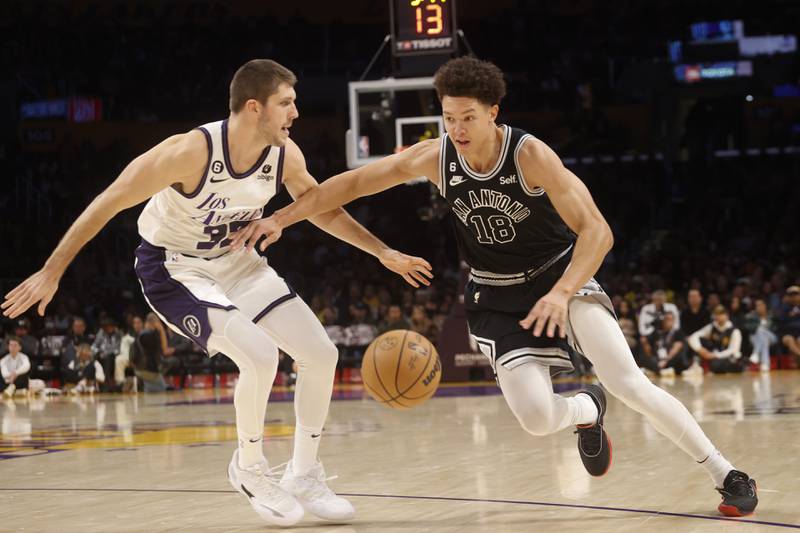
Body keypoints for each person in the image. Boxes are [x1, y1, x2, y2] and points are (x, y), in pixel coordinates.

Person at [232, 56, 758, 517]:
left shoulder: (530, 156)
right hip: (496, 295)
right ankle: (587, 410)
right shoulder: (436, 156)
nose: (457, 128)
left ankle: (726, 473)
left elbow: (598, 231)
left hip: (559, 278)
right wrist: (284, 218)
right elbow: (351, 184)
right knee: (534, 419)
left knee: (630, 381)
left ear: (492, 114)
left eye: (467, 118)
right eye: (449, 117)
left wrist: (562, 293)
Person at [1, 58, 432, 527]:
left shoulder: (286, 154)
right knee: (260, 354)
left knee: (321, 353)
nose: (295, 113)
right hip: (173, 269)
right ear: (254, 108)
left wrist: (382, 252)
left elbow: (321, 208)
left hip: (237, 263)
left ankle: (304, 473)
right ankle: (249, 467)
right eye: (286, 103)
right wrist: (52, 269)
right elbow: (108, 201)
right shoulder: (188, 152)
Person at [688, 305, 744, 374]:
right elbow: (694, 336)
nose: (718, 317)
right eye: (716, 314)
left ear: (726, 316)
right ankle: (696, 365)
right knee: (698, 341)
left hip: (729, 358)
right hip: (714, 355)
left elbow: (733, 350)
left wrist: (715, 355)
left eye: (720, 314)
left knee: (717, 365)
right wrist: (700, 349)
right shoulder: (712, 327)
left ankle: (708, 368)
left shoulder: (734, 331)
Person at [744, 298, 777, 372]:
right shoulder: (751, 316)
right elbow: (748, 328)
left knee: (761, 331)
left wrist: (763, 330)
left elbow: (775, 328)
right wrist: (758, 326)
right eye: (757, 305)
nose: (759, 307)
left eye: (761, 305)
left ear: (765, 306)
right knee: (763, 339)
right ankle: (765, 364)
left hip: (771, 336)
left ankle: (755, 353)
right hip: (755, 337)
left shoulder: (771, 315)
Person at [777, 285, 800, 360]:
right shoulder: (783, 307)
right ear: (787, 297)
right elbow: (781, 322)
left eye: (796, 294)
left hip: (798, 334)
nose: (793, 297)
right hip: (786, 334)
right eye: (791, 295)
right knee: (790, 340)